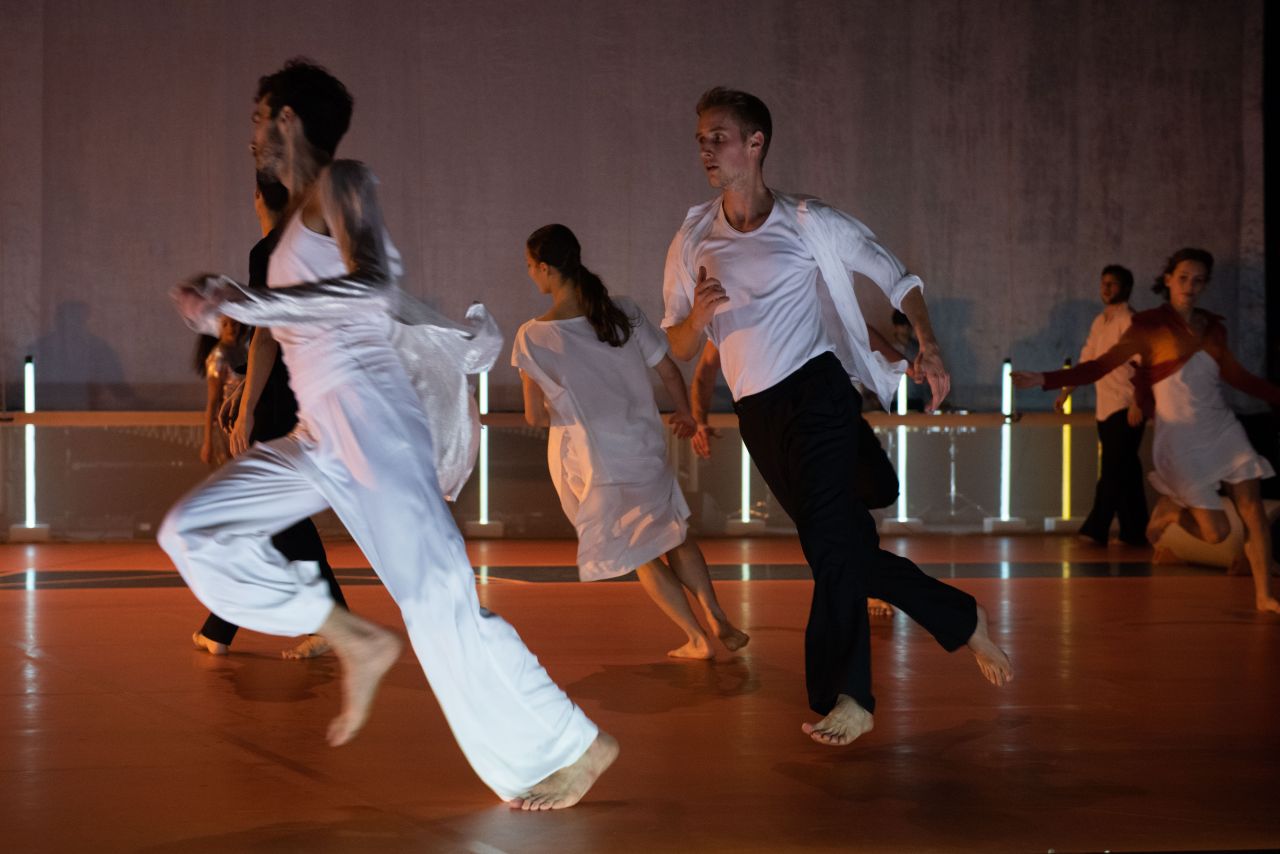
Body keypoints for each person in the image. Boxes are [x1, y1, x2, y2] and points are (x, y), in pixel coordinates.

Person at [163, 59, 615, 809]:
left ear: (287, 119)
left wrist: (246, 299)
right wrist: (227, 313)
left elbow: (370, 285)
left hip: (372, 419)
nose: (250, 133)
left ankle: (576, 744)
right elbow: (293, 316)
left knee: (441, 603)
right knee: (193, 529)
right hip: (319, 429)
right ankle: (346, 633)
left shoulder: (345, 183)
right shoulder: (287, 221)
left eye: (256, 116)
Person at [661, 87, 1013, 747]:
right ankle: (962, 618)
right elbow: (675, 344)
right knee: (842, 549)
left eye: (719, 136)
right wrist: (699, 321)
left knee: (829, 548)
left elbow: (898, 277)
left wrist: (929, 344)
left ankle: (850, 695)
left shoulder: (805, 221)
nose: (706, 149)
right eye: (701, 138)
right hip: (760, 414)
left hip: (818, 393)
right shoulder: (693, 237)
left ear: (756, 143)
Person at [512, 224, 749, 660]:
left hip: (595, 462)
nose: (530, 275)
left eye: (530, 267)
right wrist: (685, 414)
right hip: (644, 448)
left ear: (545, 268)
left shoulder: (533, 337)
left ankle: (698, 639)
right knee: (673, 532)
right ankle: (715, 613)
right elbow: (669, 371)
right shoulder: (621, 310)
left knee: (642, 554)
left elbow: (532, 416)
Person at [1014, 248, 1280, 612]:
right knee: (1216, 533)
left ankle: (1265, 595)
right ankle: (1171, 511)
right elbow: (1099, 365)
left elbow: (1237, 377)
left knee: (1252, 509)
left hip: (1222, 429)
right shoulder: (1148, 326)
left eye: (1199, 280)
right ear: (1167, 279)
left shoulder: (1213, 327)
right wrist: (1046, 379)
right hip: (1180, 440)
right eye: (1183, 277)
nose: (1190, 286)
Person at [192, 173, 349, 660]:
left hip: (280, 396)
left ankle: (323, 621)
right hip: (310, 389)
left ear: (258, 197)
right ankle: (224, 626)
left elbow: (265, 335)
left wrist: (249, 407)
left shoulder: (269, 252)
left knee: (267, 510)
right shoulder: (317, 252)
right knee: (267, 512)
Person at [1054, 265, 1149, 546]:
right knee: (1125, 470)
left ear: (1126, 288)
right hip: (1106, 406)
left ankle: (1096, 528)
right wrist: (1066, 391)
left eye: (1113, 284)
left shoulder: (1129, 320)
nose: (1106, 289)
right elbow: (1087, 362)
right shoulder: (1100, 321)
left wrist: (1137, 402)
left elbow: (1144, 364)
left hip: (1125, 405)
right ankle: (1135, 531)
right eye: (1103, 283)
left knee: (1113, 468)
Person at [195, 316, 247, 469]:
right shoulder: (218, 356)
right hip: (228, 421)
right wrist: (207, 442)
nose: (231, 328)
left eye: (234, 323)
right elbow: (212, 401)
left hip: (244, 416)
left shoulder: (243, 350)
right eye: (225, 324)